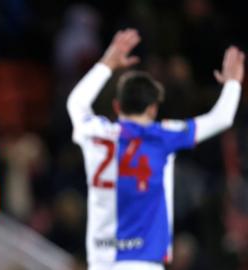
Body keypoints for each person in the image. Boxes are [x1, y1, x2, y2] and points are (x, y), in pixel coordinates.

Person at [66, 29, 244, 270]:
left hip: (101, 262)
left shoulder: (95, 131)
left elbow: (76, 102)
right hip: (144, 261)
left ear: (117, 106)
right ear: (152, 109)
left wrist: (107, 62)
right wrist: (233, 82)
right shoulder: (163, 135)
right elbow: (221, 118)